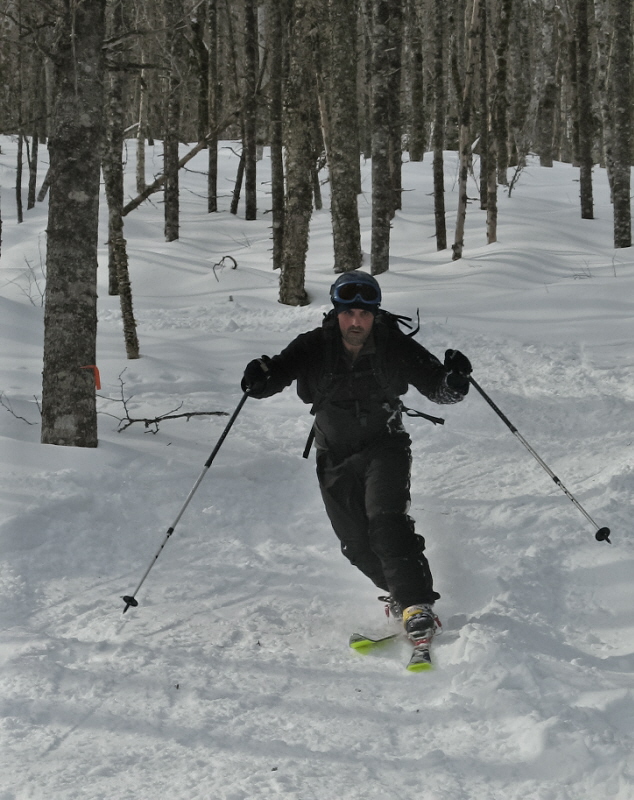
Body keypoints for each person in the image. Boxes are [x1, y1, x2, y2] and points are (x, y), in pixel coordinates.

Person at [241, 270, 471, 644]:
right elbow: (272, 380)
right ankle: (401, 593)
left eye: (365, 314)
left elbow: (438, 388)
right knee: (356, 545)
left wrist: (455, 381)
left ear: (375, 314)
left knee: (386, 521)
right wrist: (258, 379)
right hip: (333, 454)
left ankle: (417, 604)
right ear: (336, 312)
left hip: (386, 446)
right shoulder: (312, 345)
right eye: (349, 313)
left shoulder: (394, 346)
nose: (356, 321)